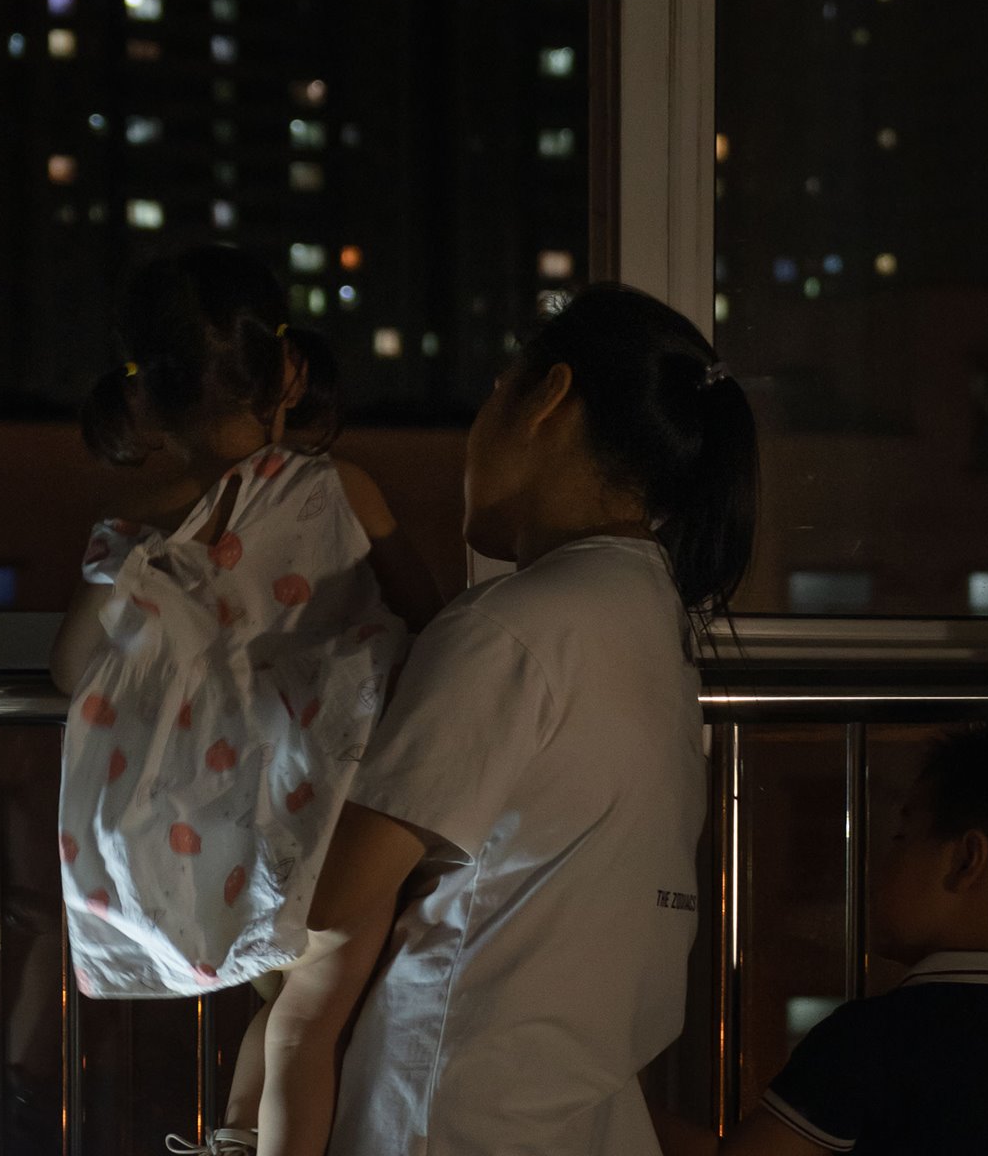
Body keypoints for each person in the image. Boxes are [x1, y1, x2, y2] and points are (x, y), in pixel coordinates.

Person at [238, 281, 758, 1156]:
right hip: (586, 1117)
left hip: (449, 1112)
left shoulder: (513, 627)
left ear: (549, 398)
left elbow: (328, 898)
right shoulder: (654, 627)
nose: (471, 438)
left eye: (492, 395)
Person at [49, 245, 440, 1155]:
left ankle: (233, 1140)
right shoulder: (340, 488)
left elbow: (71, 670)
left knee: (284, 1007)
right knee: (312, 1021)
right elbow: (431, 618)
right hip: (331, 802)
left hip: (207, 829)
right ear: (289, 372)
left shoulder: (140, 528)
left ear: (143, 399)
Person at [654, 727, 988, 1156]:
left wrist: (617, 1089)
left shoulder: (878, 1038)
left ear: (967, 861)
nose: (880, 863)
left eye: (902, 837)